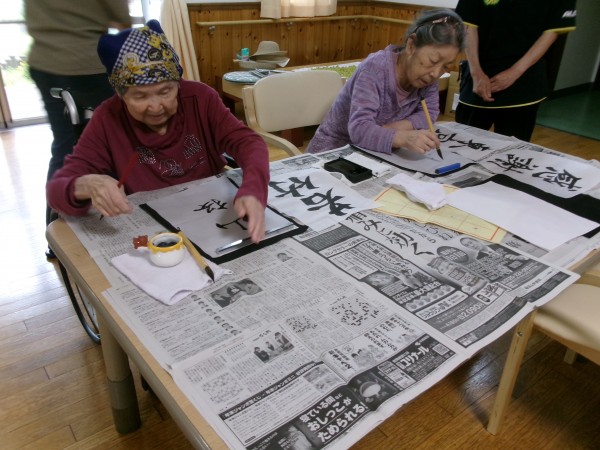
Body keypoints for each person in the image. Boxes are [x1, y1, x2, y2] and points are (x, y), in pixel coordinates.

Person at [46, 20, 269, 243]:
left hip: (212, 212)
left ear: (178, 83)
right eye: (140, 96)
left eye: (165, 92)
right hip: (155, 228)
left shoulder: (200, 98)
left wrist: (253, 188)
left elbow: (248, 142)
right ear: (121, 94)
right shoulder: (108, 118)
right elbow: (56, 190)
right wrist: (87, 184)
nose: (155, 107)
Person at [25, 0, 131, 257]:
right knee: (113, 140)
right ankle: (122, 223)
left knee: (64, 146)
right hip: (88, 62)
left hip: (44, 61)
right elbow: (121, 17)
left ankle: (56, 238)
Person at [307, 9, 465, 155]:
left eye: (445, 66)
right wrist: (402, 137)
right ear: (411, 45)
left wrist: (393, 129)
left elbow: (429, 113)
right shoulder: (374, 70)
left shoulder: (427, 77)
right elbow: (359, 130)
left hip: (373, 153)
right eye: (433, 60)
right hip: (334, 151)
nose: (436, 73)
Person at [454, 0, 577, 142]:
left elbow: (552, 31)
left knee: (513, 148)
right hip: (479, 78)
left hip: (524, 80)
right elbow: (468, 24)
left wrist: (515, 72)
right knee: (462, 142)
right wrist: (476, 73)